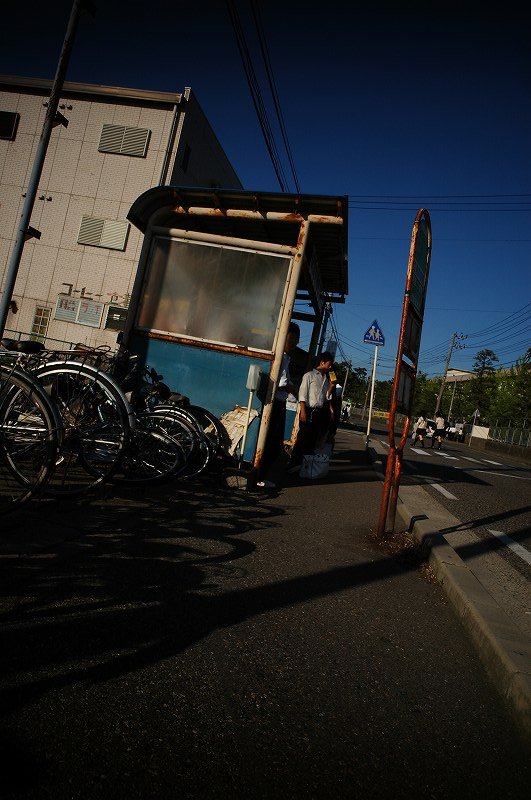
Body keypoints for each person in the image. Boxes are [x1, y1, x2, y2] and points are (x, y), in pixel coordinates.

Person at [256, 322, 300, 489]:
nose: (295, 343)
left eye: (296, 340)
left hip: (279, 403)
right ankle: (259, 477)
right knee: (273, 445)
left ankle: (261, 476)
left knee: (274, 444)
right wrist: (291, 388)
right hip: (276, 404)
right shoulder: (281, 357)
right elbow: (279, 382)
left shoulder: (286, 357)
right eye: (293, 339)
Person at [286, 351, 335, 474]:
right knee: (302, 438)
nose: (330, 367)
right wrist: (303, 411)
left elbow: (325, 398)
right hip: (307, 409)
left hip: (319, 411)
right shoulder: (309, 375)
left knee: (313, 440)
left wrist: (331, 387)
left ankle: (305, 466)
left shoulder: (326, 379)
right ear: (322, 362)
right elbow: (302, 394)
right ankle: (293, 464)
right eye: (329, 364)